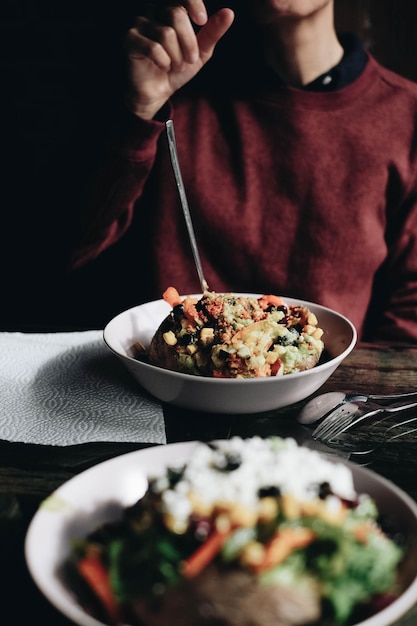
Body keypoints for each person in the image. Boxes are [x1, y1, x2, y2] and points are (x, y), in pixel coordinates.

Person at [65, 0, 417, 342]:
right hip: (164, 387)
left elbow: (409, 324)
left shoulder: (405, 116)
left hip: (332, 391)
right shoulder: (171, 88)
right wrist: (140, 111)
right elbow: (72, 250)